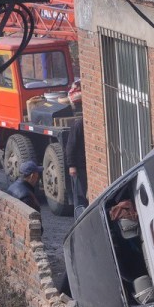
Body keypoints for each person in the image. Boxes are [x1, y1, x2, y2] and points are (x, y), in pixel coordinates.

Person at [64, 81, 88, 217]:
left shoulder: (80, 124)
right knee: (79, 196)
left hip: (82, 165)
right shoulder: (78, 125)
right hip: (78, 166)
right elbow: (70, 146)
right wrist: (72, 165)